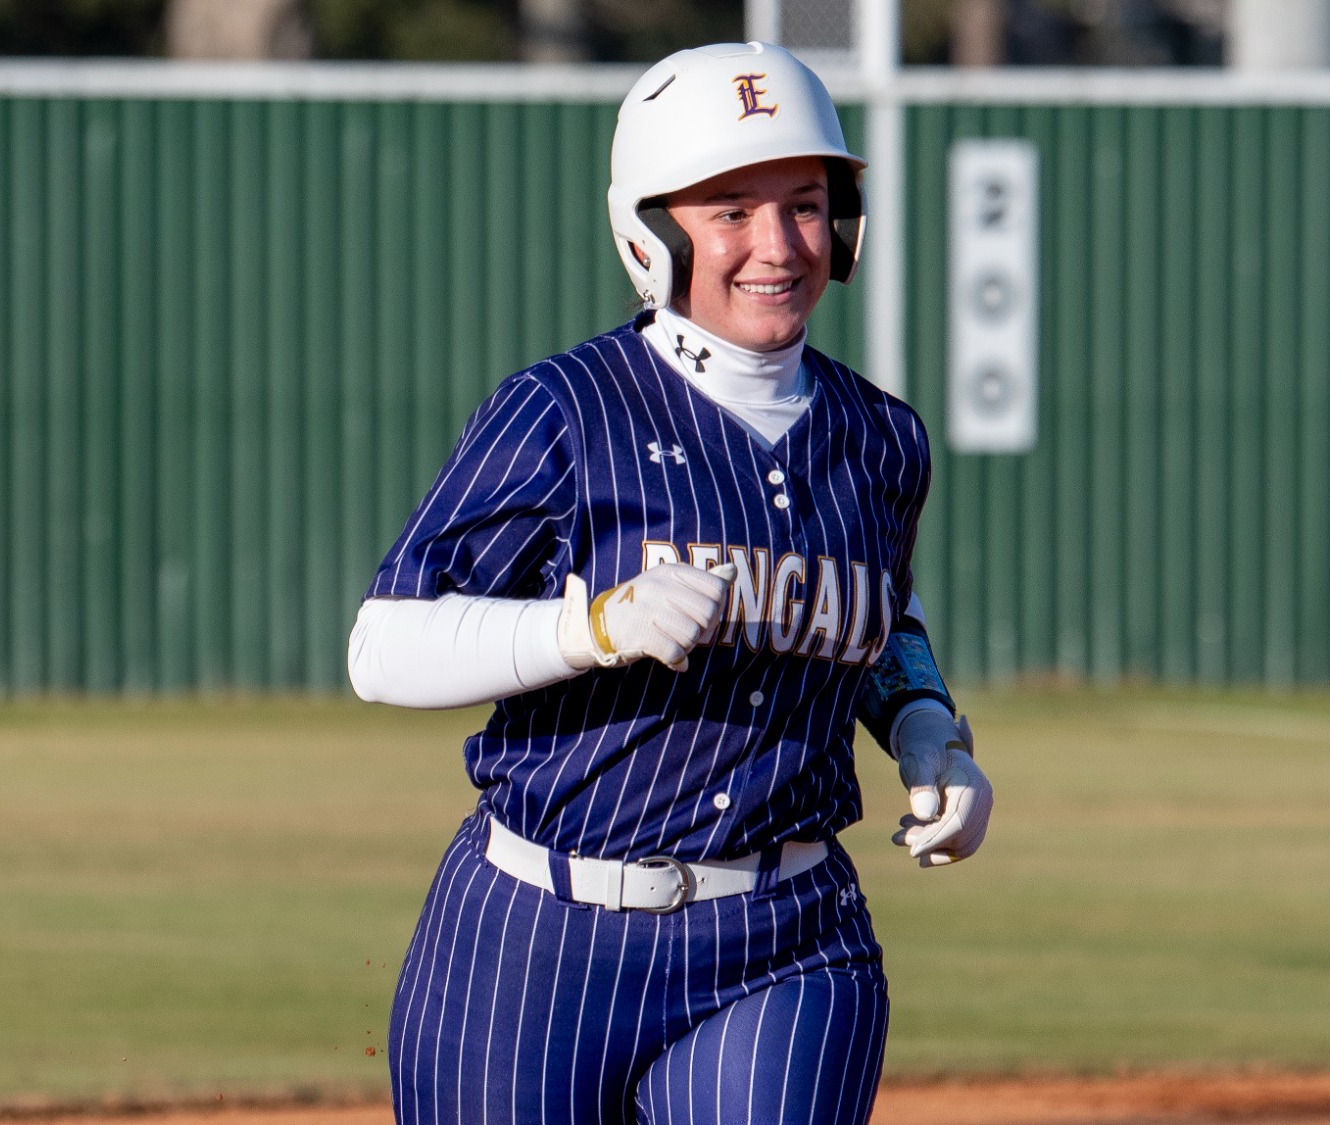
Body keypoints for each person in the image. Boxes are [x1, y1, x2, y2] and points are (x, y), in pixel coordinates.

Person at [348, 41, 993, 1125]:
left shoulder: (880, 437)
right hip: (534, 940)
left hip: (786, 940)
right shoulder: (561, 409)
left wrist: (925, 721)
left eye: (801, 204)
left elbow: (875, 610)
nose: (775, 245)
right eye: (729, 212)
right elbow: (384, 650)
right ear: (650, 234)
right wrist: (588, 626)